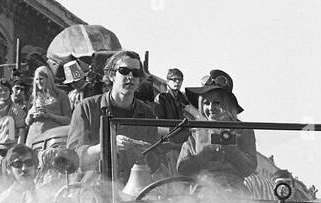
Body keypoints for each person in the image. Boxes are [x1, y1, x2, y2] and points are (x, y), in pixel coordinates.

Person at [66, 51, 160, 185]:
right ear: (111, 75)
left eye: (136, 73)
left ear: (140, 79)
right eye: (124, 71)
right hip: (92, 194)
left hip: (134, 193)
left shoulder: (147, 113)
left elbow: (154, 163)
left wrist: (144, 153)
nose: (130, 76)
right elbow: (73, 159)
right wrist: (107, 146)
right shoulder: (86, 108)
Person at [176, 69, 258, 187]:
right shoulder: (196, 132)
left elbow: (248, 168)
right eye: (206, 103)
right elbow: (182, 168)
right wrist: (204, 155)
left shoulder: (243, 130)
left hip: (234, 192)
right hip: (201, 192)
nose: (211, 108)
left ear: (228, 104)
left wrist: (230, 150)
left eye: (217, 102)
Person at [25, 65, 71, 150]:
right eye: (37, 79)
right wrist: (30, 115)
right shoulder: (33, 97)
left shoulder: (61, 95)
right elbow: (27, 122)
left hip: (52, 140)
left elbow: (68, 120)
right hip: (33, 140)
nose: (39, 82)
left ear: (49, 79)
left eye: (41, 79)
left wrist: (50, 115)